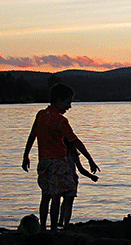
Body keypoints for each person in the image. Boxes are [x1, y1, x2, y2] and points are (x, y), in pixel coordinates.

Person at [22, 83, 99, 232]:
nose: (69, 107)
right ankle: (53, 228)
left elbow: (32, 136)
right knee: (57, 196)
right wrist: (90, 159)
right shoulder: (60, 120)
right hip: (58, 161)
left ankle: (43, 227)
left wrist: (25, 156)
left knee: (46, 196)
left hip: (43, 161)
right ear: (58, 100)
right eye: (67, 102)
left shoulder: (41, 115)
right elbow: (75, 141)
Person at [58, 139, 99, 228]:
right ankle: (66, 224)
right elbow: (81, 169)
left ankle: (60, 221)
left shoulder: (58, 154)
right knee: (69, 202)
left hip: (61, 180)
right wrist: (91, 176)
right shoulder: (73, 154)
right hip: (71, 180)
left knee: (63, 201)